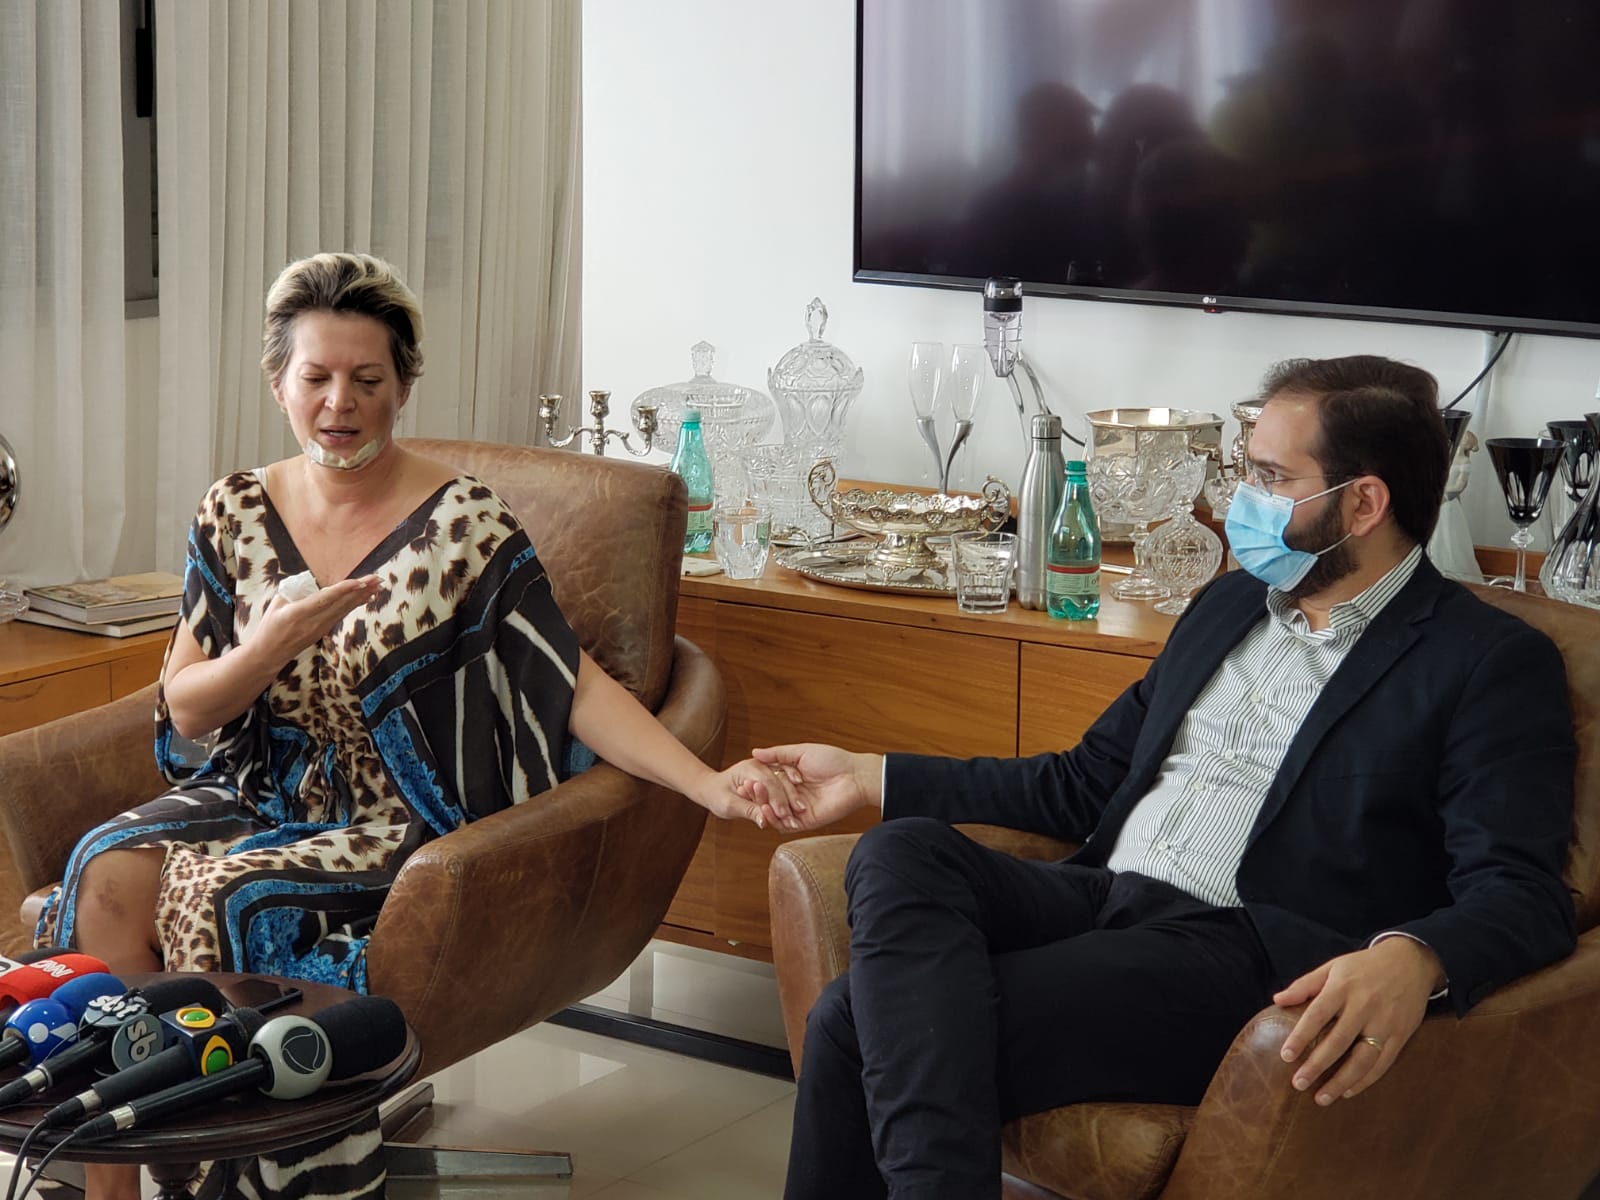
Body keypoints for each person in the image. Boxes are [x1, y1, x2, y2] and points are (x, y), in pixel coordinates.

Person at [35, 252, 794, 1200]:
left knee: (230, 894)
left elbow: (569, 681)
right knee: (105, 866)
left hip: (395, 816)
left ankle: (254, 1180)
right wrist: (267, 647)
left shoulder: (463, 520)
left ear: (402, 388)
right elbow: (185, 705)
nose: (339, 403)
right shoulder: (233, 509)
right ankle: (106, 1181)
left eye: (368, 380)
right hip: (259, 788)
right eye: (316, 377)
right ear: (279, 383)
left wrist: (706, 782)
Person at [748, 355, 1577, 1200]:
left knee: (851, 1024)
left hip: (1243, 948)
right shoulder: (1226, 604)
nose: (1237, 501)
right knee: (899, 854)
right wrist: (869, 773)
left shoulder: (1486, 660)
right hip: (1105, 897)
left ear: (1363, 503)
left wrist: (1415, 955)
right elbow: (1083, 783)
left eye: (1268, 477)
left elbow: (1524, 890)